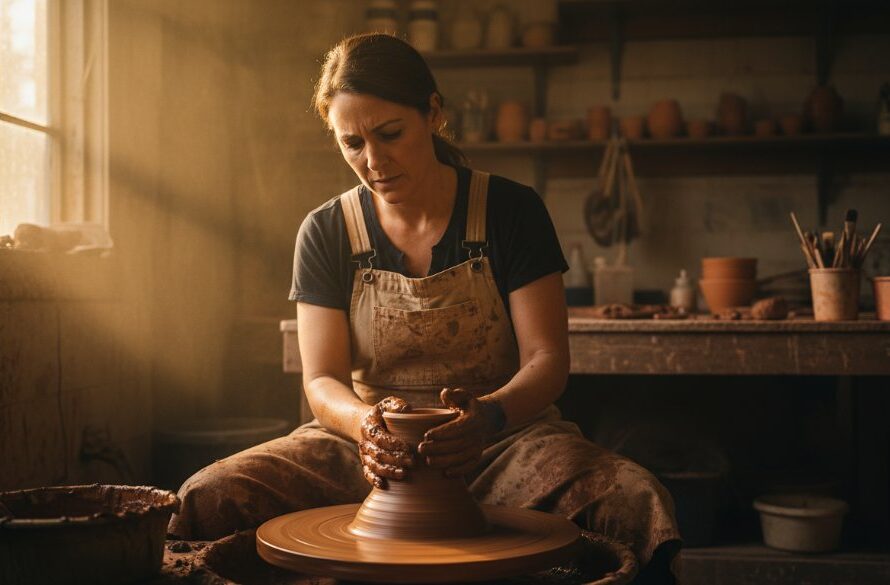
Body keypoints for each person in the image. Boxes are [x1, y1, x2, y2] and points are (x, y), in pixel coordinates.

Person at [168, 33, 680, 583]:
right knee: (209, 497)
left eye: (390, 134)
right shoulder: (326, 230)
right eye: (352, 144)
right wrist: (367, 426)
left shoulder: (510, 211)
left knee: (631, 501)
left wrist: (488, 416)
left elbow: (548, 359)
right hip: (365, 451)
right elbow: (321, 380)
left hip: (501, 443)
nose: (374, 161)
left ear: (432, 113)